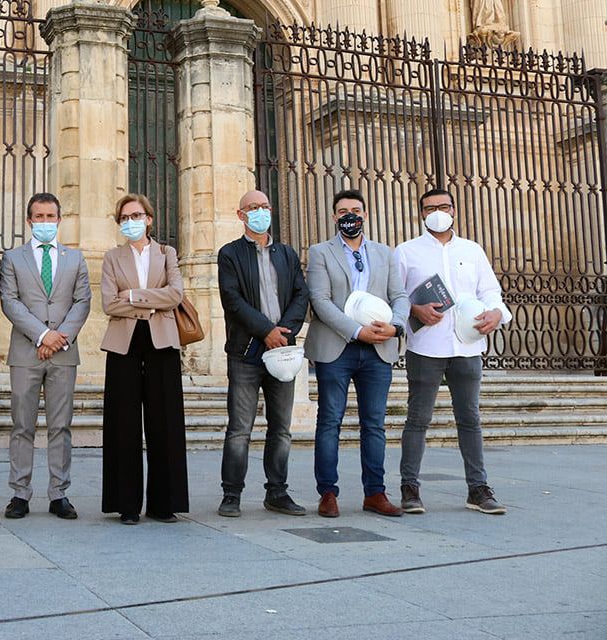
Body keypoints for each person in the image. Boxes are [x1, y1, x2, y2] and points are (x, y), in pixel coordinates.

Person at [396, 188, 511, 515]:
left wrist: (496, 314)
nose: (437, 212)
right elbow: (396, 297)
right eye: (430, 207)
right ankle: (410, 487)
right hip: (426, 347)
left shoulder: (472, 250)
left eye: (443, 206)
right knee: (418, 418)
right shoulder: (406, 252)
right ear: (421, 213)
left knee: (470, 418)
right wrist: (414, 311)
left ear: (454, 210)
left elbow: (491, 292)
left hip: (467, 345)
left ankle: (478, 488)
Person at [305, 189, 409, 518]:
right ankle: (328, 493)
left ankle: (375, 493)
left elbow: (400, 295)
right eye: (343, 211)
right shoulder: (320, 252)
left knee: (374, 424)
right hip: (338, 347)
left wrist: (396, 326)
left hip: (378, 349)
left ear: (365, 214)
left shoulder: (385, 253)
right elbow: (319, 301)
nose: (350, 215)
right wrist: (355, 330)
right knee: (330, 420)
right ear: (335, 217)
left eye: (356, 209)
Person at [216, 189, 310, 518]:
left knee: (281, 427)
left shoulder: (286, 254)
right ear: (241, 215)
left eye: (265, 206)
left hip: (282, 351)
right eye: (253, 208)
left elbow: (301, 293)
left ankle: (277, 492)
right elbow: (232, 299)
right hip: (246, 352)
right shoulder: (229, 254)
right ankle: (231, 494)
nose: (260, 212)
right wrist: (265, 331)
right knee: (240, 427)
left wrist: (283, 330)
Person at [0, 193, 92, 520]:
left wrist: (58, 337)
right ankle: (20, 493)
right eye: (39, 217)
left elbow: (82, 302)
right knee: (22, 424)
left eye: (50, 216)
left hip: (64, 353)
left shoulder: (75, 259)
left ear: (59, 219)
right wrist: (42, 335)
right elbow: (10, 302)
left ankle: (59, 493)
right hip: (26, 352)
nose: (45, 222)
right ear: (29, 221)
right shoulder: (13, 258)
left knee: (60, 426)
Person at [100, 193, 189, 525]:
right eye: (124, 218)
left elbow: (175, 294)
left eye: (136, 215)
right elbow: (110, 303)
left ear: (149, 219)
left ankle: (164, 503)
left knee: (165, 421)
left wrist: (136, 297)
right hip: (124, 344)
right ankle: (127, 504)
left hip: (161, 341)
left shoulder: (167, 253)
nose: (131, 222)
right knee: (123, 423)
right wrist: (154, 301)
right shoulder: (112, 257)